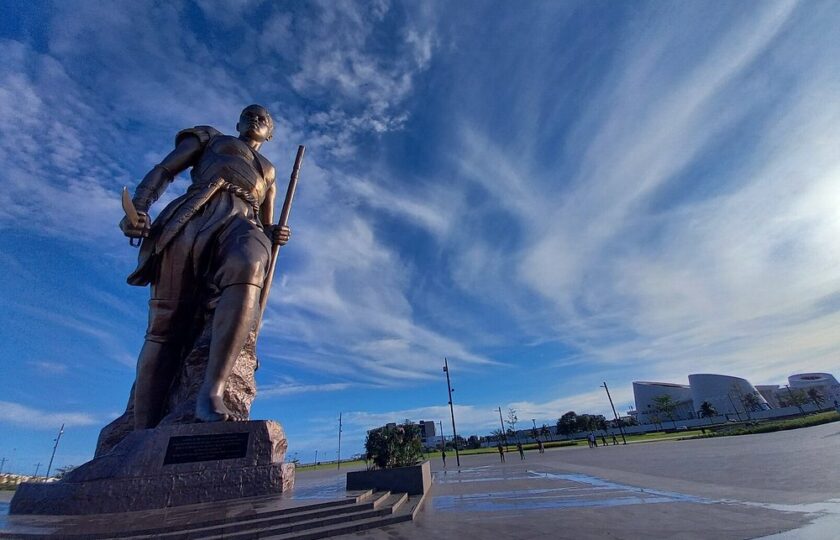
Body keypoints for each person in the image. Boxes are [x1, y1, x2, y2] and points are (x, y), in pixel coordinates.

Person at [120, 105, 291, 427]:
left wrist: (275, 233)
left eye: (265, 119)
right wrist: (140, 206)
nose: (257, 119)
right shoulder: (210, 139)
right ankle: (142, 429)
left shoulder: (269, 171)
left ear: (271, 134)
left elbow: (267, 223)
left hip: (244, 221)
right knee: (165, 325)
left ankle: (211, 392)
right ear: (238, 122)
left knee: (251, 262)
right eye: (250, 115)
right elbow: (164, 171)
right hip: (196, 213)